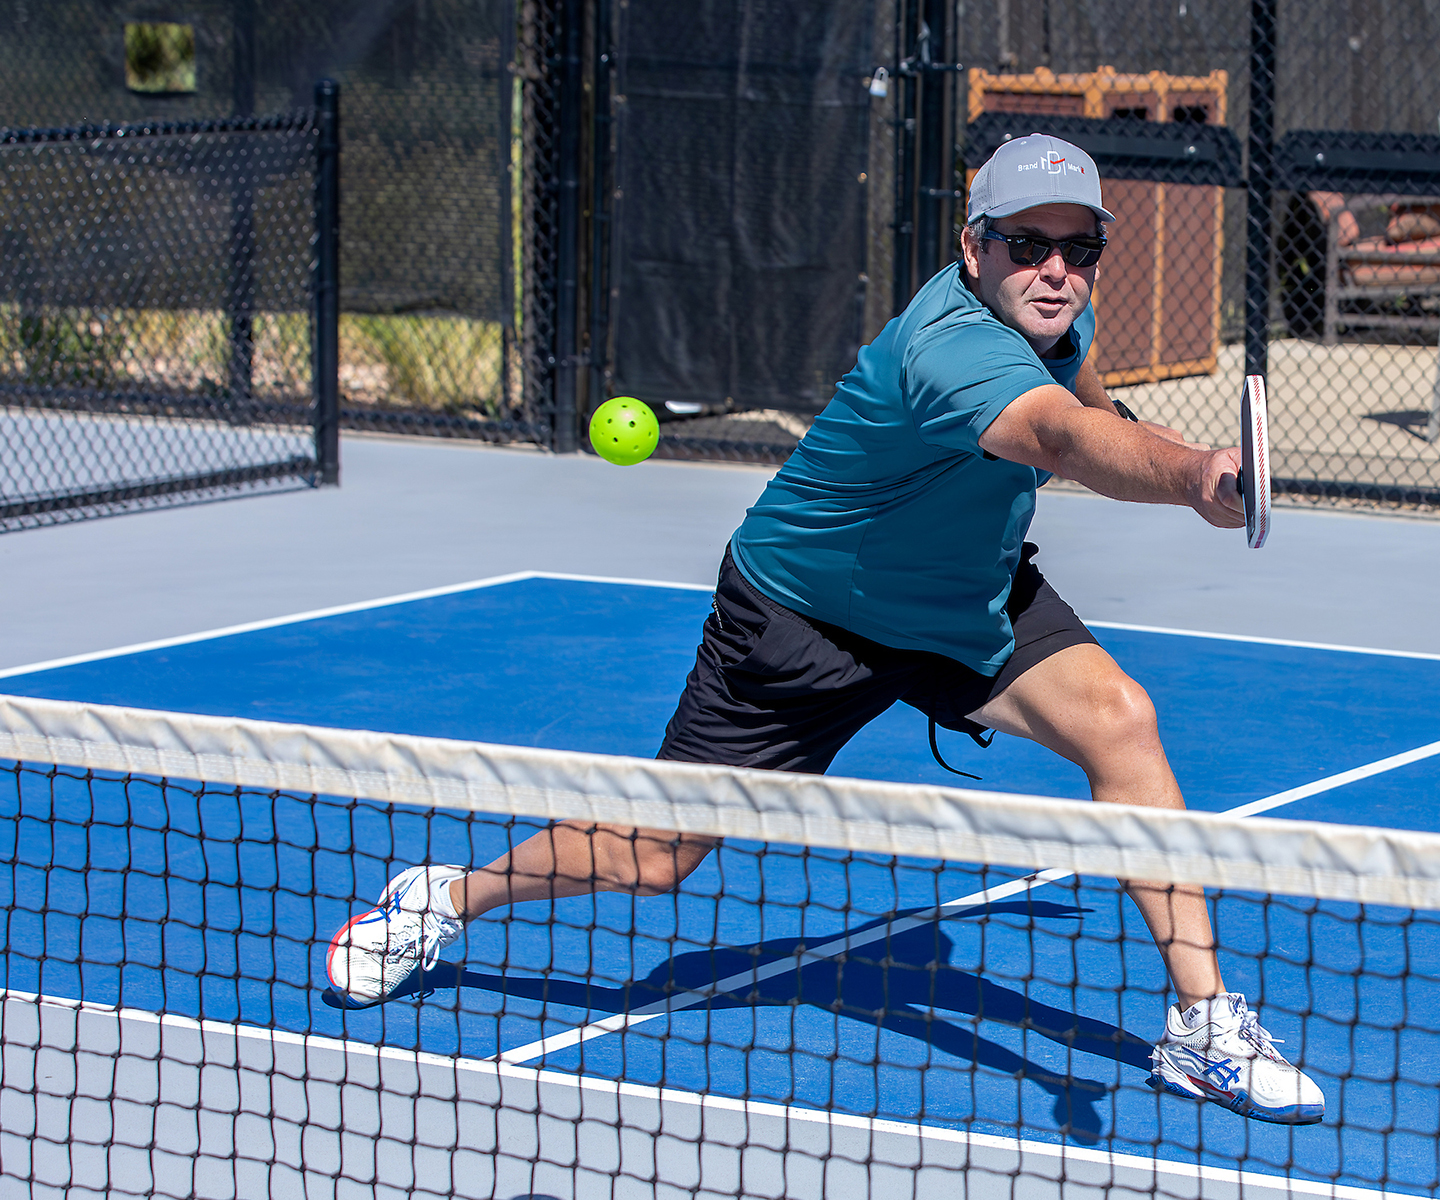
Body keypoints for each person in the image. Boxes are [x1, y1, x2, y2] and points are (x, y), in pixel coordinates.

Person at [327, 133, 1324, 1125]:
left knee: (1121, 721)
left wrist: (1165, 443)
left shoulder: (1054, 308)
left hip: (958, 595)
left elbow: (1084, 395)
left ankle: (1203, 1027)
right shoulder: (949, 351)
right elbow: (1061, 436)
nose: (1056, 269)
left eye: (1078, 247)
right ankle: (442, 899)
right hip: (806, 617)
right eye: (1027, 244)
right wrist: (1191, 476)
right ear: (973, 246)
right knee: (652, 857)